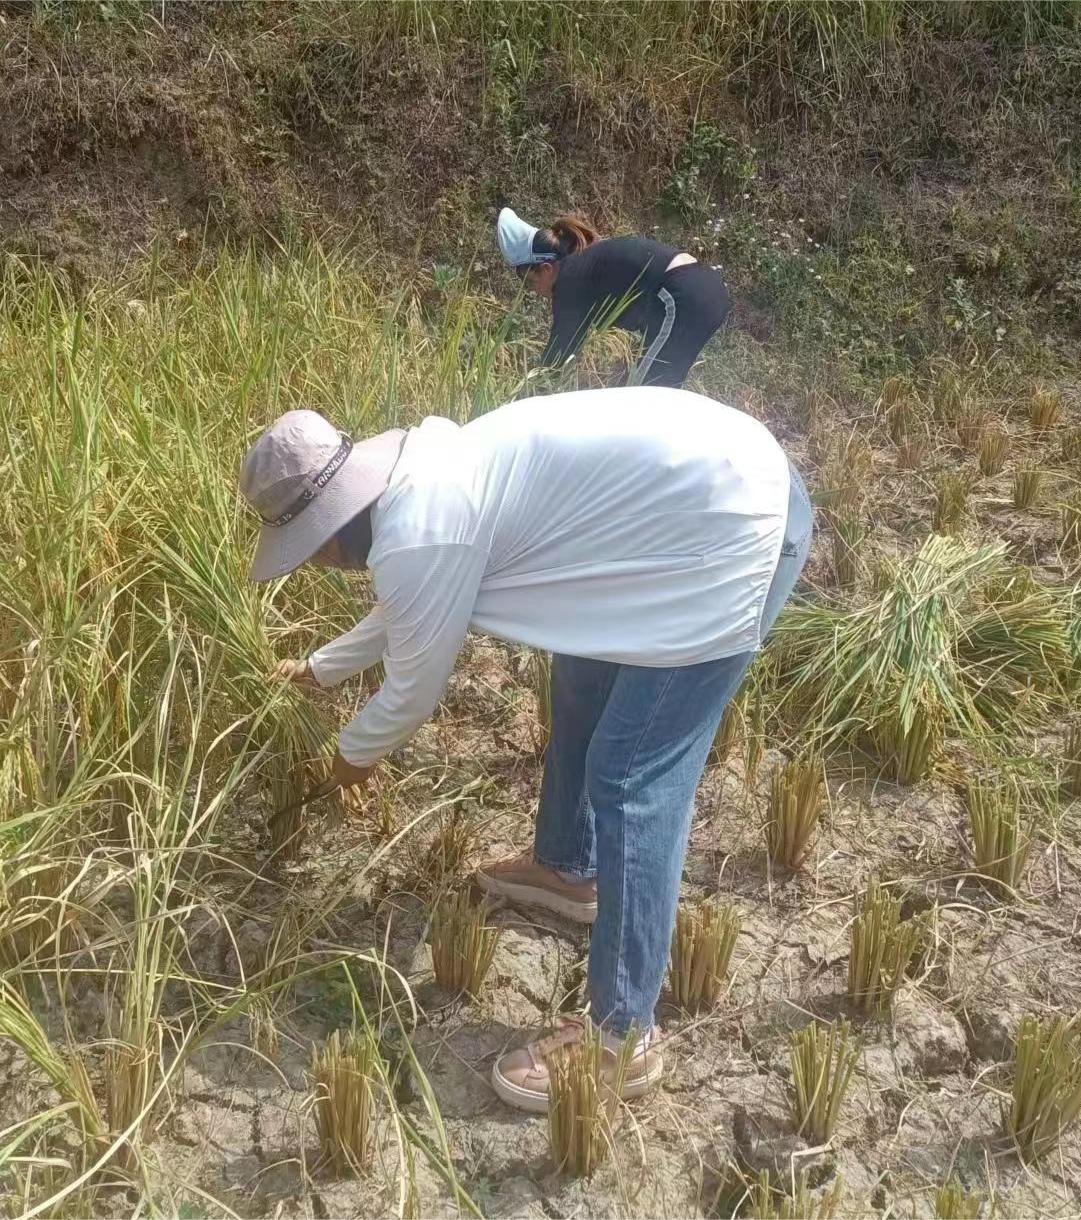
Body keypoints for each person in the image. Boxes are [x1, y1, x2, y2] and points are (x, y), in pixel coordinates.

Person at [240, 386, 811, 1114]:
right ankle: (569, 870)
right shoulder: (417, 480)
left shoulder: (421, 530)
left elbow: (411, 692)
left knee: (632, 778)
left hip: (732, 530)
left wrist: (346, 762)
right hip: (685, 508)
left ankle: (622, 1035)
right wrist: (320, 671)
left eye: (308, 550)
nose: (316, 565)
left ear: (329, 528)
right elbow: (409, 608)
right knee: (579, 679)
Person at [496, 206, 731, 389]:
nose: (535, 292)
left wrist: (525, 395)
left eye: (529, 283)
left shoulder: (569, 279)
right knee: (645, 387)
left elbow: (558, 354)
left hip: (683, 295)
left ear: (546, 269)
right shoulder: (584, 266)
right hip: (700, 291)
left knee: (645, 398)